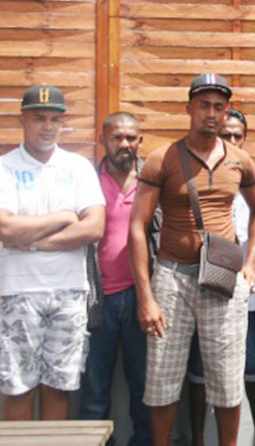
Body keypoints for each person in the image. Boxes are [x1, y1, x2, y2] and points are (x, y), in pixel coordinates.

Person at [129, 74, 255, 446]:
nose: (211, 113)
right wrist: (146, 297)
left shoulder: (239, 159)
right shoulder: (163, 158)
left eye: (219, 107)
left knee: (226, 381)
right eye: (204, 105)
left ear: (226, 113)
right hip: (171, 277)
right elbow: (138, 228)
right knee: (162, 381)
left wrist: (251, 263)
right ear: (189, 108)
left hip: (222, 276)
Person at [0, 84, 105, 421]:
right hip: (17, 292)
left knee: (60, 387)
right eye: (39, 118)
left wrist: (34, 241)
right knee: (19, 388)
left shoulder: (78, 167)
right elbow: (5, 229)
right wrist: (64, 218)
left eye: (55, 119)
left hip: (69, 291)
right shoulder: (2, 168)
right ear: (23, 120)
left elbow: (94, 228)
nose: (48, 127)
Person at [187, 108, 255, 446]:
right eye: (227, 135)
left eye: (239, 135)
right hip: (206, 284)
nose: (233, 141)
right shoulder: (197, 173)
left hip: (249, 289)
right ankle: (198, 439)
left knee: (253, 369)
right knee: (198, 371)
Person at [79, 112, 156, 445]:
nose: (124, 144)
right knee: (95, 389)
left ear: (140, 141)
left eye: (131, 138)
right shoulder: (87, 183)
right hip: (97, 301)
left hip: (143, 299)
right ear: (103, 141)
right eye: (116, 138)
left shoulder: (153, 182)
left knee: (144, 387)